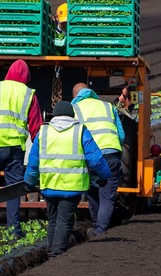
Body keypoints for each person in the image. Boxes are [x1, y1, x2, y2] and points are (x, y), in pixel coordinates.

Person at [24, 100, 111, 256]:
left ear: (54, 115)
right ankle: (56, 253)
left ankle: (51, 251)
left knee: (53, 219)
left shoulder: (43, 132)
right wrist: (104, 175)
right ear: (72, 115)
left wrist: (29, 181)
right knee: (64, 219)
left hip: (49, 185)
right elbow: (95, 159)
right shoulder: (80, 131)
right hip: (71, 187)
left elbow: (33, 160)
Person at [0, 58, 42, 237]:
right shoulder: (29, 94)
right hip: (15, 148)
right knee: (14, 186)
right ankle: (14, 229)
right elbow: (36, 127)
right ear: (27, 76)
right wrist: (40, 147)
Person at [71, 82, 125, 236]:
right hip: (111, 154)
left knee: (92, 191)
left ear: (75, 96)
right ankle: (100, 228)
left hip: (90, 156)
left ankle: (98, 228)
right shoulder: (108, 107)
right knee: (107, 196)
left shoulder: (74, 108)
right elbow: (121, 135)